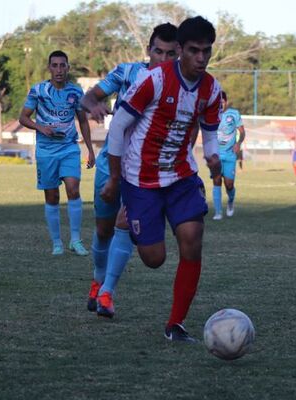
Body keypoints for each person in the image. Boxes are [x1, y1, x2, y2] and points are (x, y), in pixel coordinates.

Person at [102, 16, 222, 343]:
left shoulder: (211, 89)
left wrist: (212, 156)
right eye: (194, 50)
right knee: (154, 259)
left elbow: (210, 134)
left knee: (193, 239)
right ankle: (141, 226)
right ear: (180, 50)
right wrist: (114, 178)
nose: (201, 58)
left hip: (182, 175)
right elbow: (117, 127)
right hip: (140, 178)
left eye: (206, 51)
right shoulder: (154, 80)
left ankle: (176, 324)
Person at [80, 23, 179, 318]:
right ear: (149, 49)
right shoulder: (126, 72)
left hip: (144, 167)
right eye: (157, 51)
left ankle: (108, 293)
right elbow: (88, 97)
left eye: (169, 54)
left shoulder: (179, 85)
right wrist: (93, 106)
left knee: (125, 223)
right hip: (112, 158)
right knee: (103, 229)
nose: (162, 58)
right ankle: (98, 281)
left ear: (178, 55)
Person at [19, 50, 95, 256]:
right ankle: (57, 243)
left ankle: (76, 240)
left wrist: (90, 148)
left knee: (73, 188)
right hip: (45, 151)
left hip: (69, 148)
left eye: (63, 65)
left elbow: (83, 121)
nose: (59, 70)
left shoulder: (76, 92)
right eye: (55, 65)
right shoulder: (38, 90)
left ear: (68, 68)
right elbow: (23, 118)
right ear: (49, 68)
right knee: (52, 196)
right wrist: (41, 128)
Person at [212, 91, 245, 220]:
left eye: (223, 102)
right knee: (216, 180)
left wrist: (238, 142)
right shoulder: (211, 113)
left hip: (230, 154)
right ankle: (218, 212)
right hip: (215, 154)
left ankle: (230, 201)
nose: (221, 105)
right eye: (218, 102)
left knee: (229, 184)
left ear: (226, 101)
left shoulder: (234, 114)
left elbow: (242, 132)